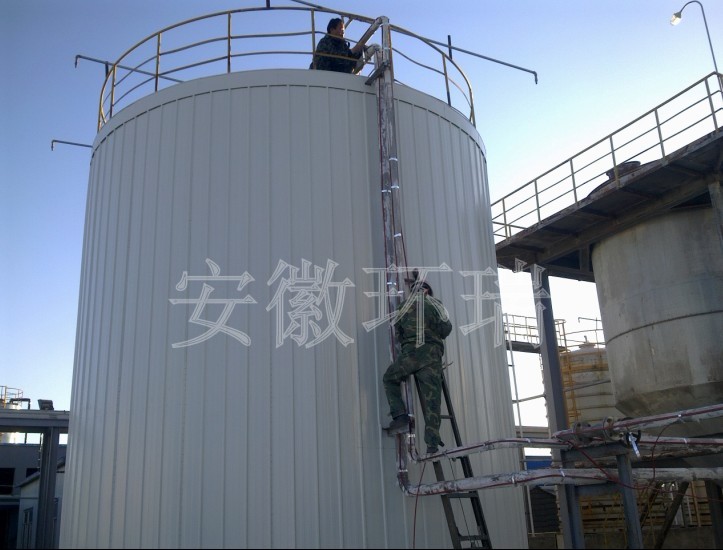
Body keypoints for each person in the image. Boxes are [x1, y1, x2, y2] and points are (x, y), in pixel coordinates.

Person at [383, 280, 453, 454]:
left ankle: (400, 416)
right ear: (427, 291)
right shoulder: (435, 304)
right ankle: (432, 444)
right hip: (431, 356)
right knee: (432, 400)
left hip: (410, 356)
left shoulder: (403, 306)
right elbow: (446, 329)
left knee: (390, 378)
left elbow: (398, 334)